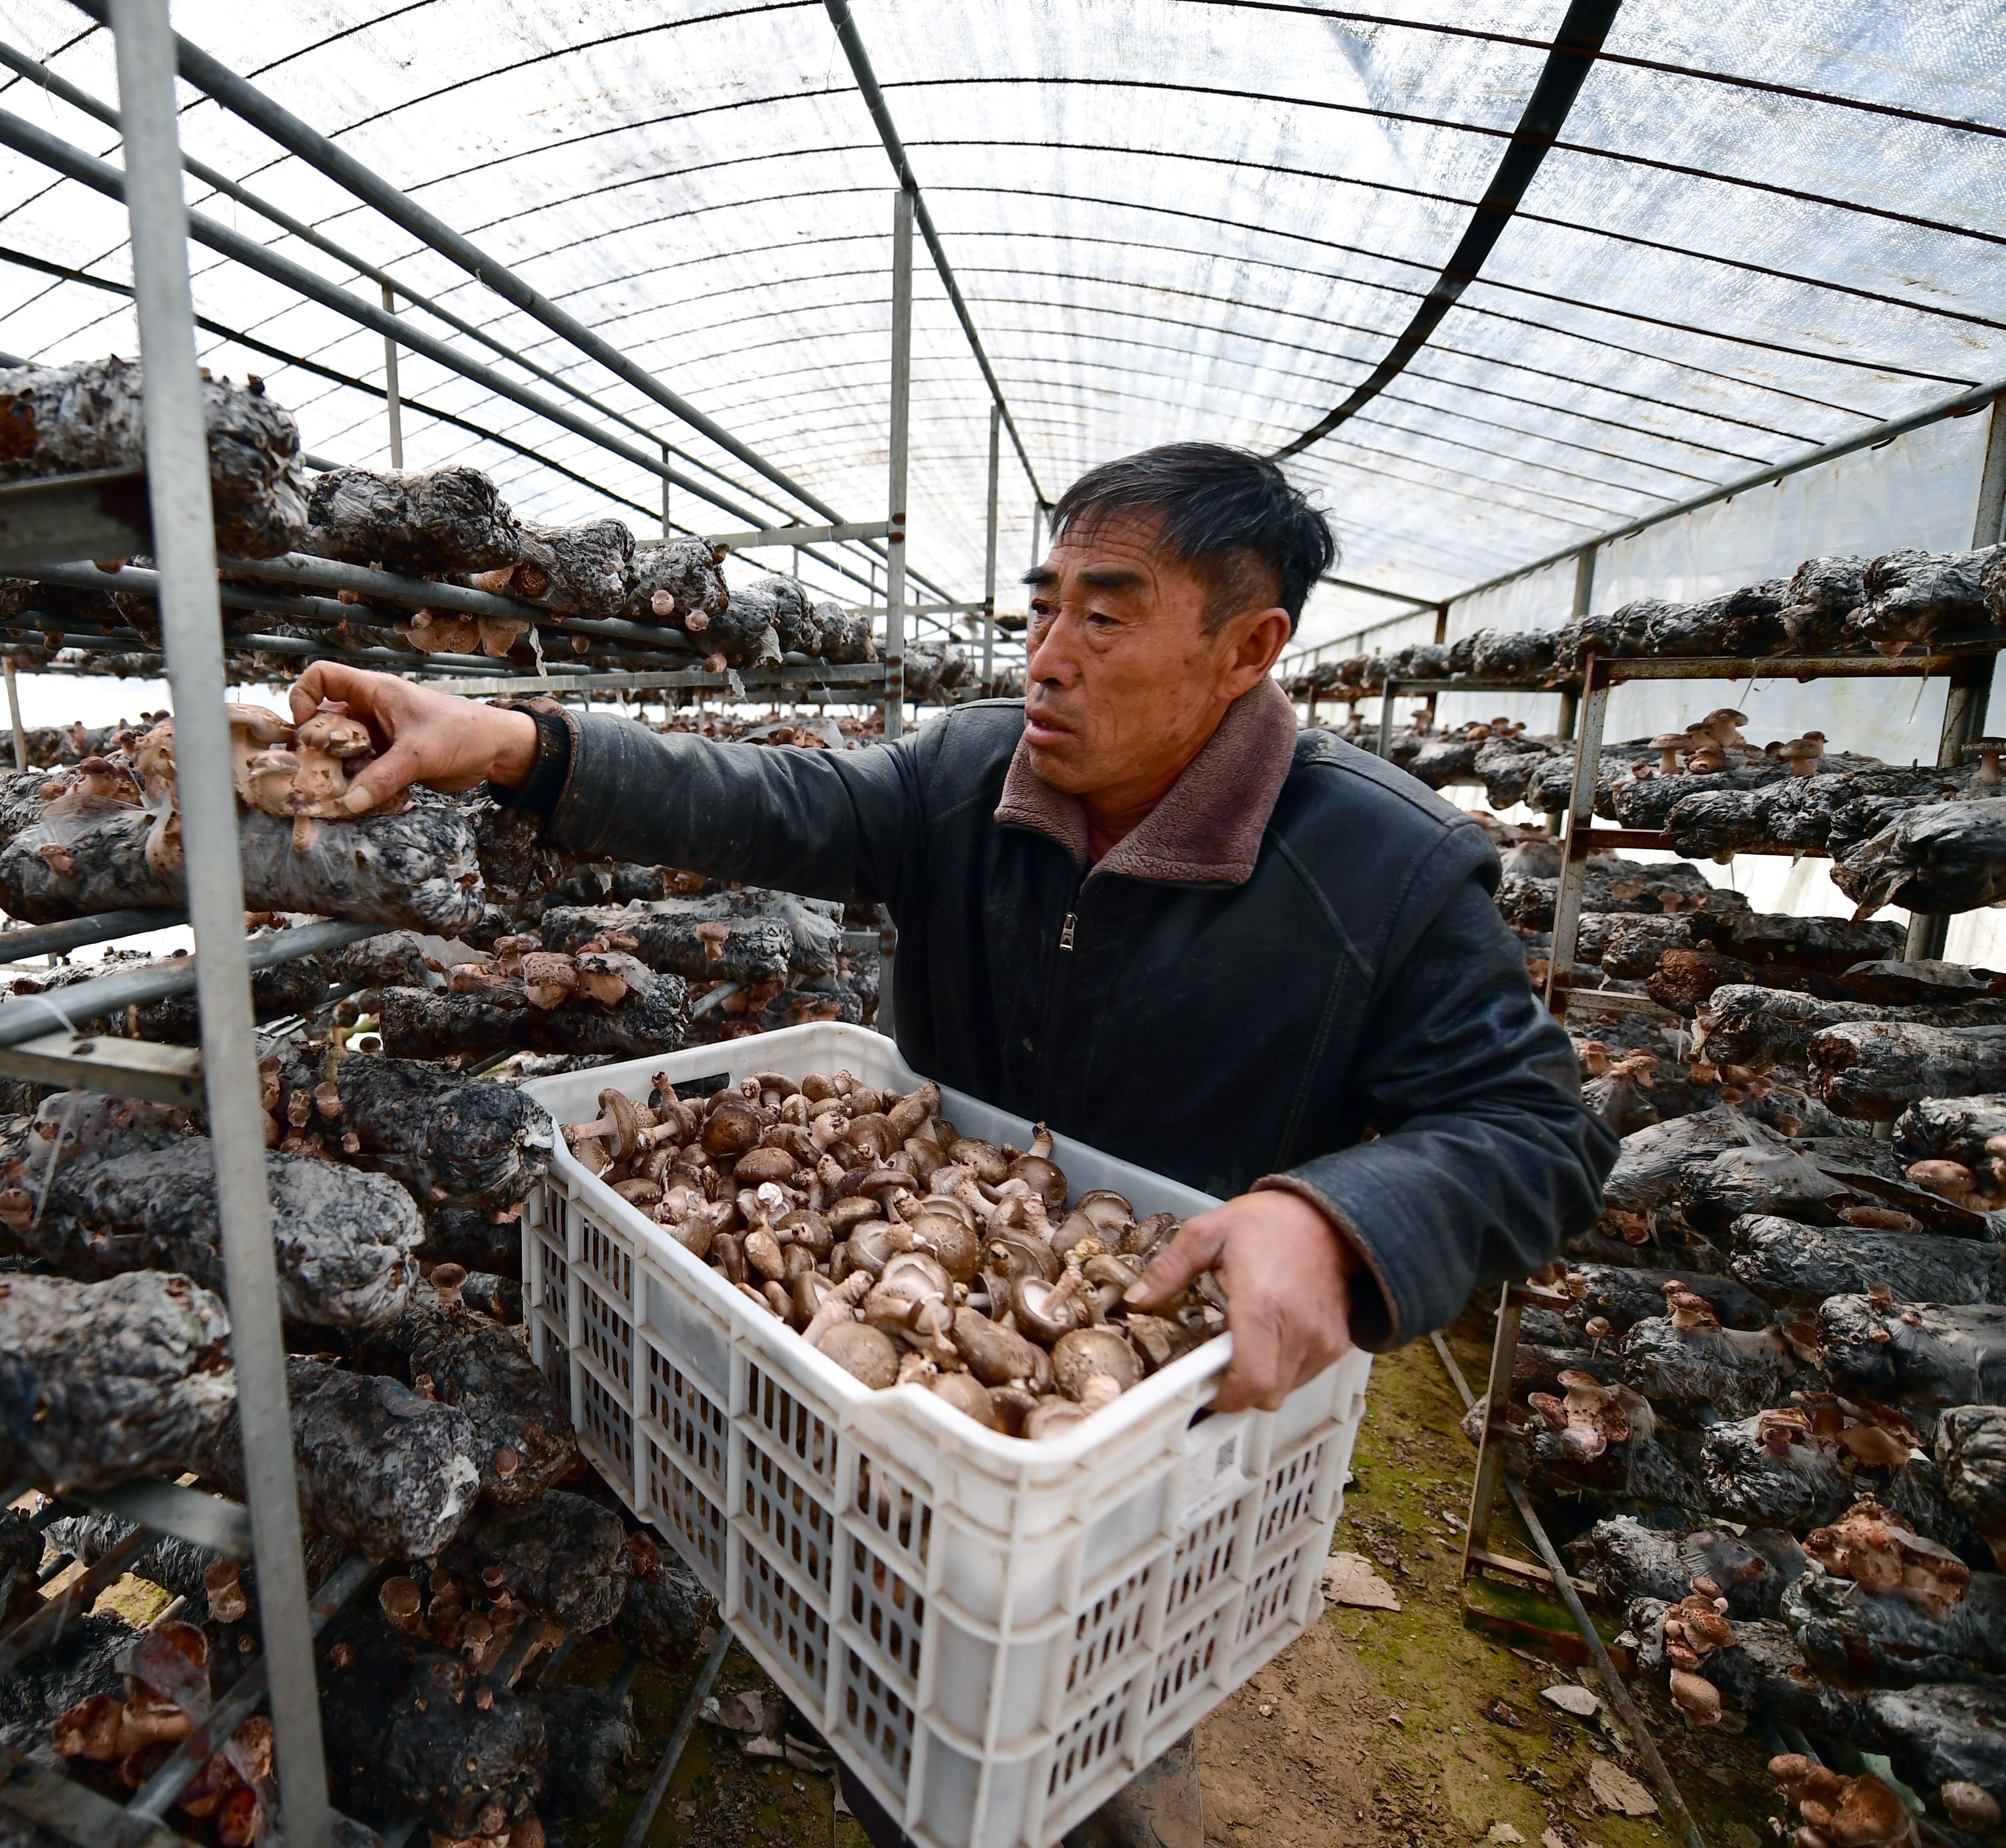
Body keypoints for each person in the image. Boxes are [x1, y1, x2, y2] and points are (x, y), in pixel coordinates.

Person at [287, 443, 1614, 1848]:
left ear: (1248, 649)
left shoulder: (1385, 869)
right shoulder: (971, 772)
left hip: (1159, 1427)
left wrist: (1337, 1214)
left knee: (1087, 1749)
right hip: (922, 1367)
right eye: (1040, 609)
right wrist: (516, 745)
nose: (1048, 657)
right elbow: (767, 800)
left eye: (1102, 620)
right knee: (898, 1694)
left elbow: (1538, 1130)